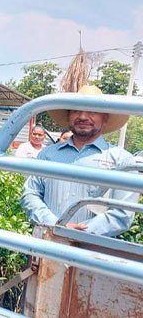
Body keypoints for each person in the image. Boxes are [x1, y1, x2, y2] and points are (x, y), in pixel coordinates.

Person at [20, 85, 138, 237]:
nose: (82, 116)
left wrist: (79, 232)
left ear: (105, 118)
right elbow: (30, 194)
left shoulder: (122, 161)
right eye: (76, 110)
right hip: (47, 241)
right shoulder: (47, 155)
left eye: (92, 111)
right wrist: (54, 224)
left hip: (92, 246)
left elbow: (122, 214)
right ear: (69, 115)